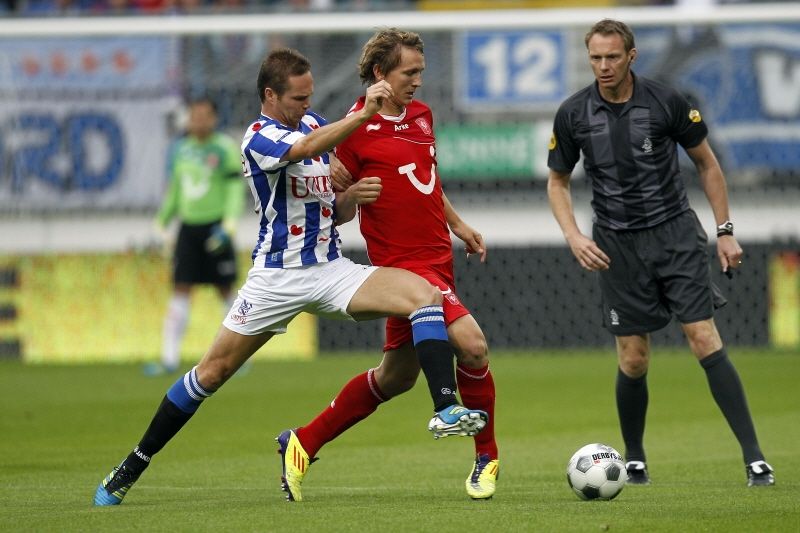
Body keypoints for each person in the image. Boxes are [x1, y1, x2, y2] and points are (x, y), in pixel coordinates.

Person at [93, 47, 487, 506]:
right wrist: (362, 116)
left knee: (424, 295)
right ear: (271, 95)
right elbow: (302, 150)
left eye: (309, 96)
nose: (307, 105)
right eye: (298, 99)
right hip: (276, 278)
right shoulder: (258, 137)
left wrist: (352, 196)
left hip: (330, 269)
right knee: (212, 373)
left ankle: (444, 408)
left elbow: (333, 210)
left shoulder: (315, 124)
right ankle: (133, 464)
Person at [546, 19, 774, 487]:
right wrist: (574, 236)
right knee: (633, 358)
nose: (603, 66)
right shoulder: (573, 113)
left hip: (674, 235)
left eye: (612, 57)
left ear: (631, 56)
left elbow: (707, 164)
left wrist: (725, 231)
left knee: (703, 337)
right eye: (595, 57)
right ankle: (634, 459)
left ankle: (755, 459)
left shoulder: (666, 101)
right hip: (615, 244)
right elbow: (558, 181)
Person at [279, 28, 499, 501]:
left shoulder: (422, 115)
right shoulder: (352, 130)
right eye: (409, 72)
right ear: (380, 73)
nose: (417, 81)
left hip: (438, 258)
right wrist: (349, 193)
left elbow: (426, 181)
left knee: (395, 378)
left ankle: (303, 442)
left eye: (421, 71)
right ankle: (486, 456)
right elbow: (334, 209)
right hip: (402, 269)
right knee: (473, 346)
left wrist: (458, 224)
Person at [147, 97, 245, 376]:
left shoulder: (224, 148)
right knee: (180, 288)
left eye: (204, 116)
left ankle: (239, 356)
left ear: (214, 118)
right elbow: (175, 191)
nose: (199, 121)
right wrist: (161, 222)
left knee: (226, 291)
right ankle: (169, 358)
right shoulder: (180, 149)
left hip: (216, 228)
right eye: (194, 116)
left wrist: (229, 225)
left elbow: (234, 190)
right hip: (188, 229)